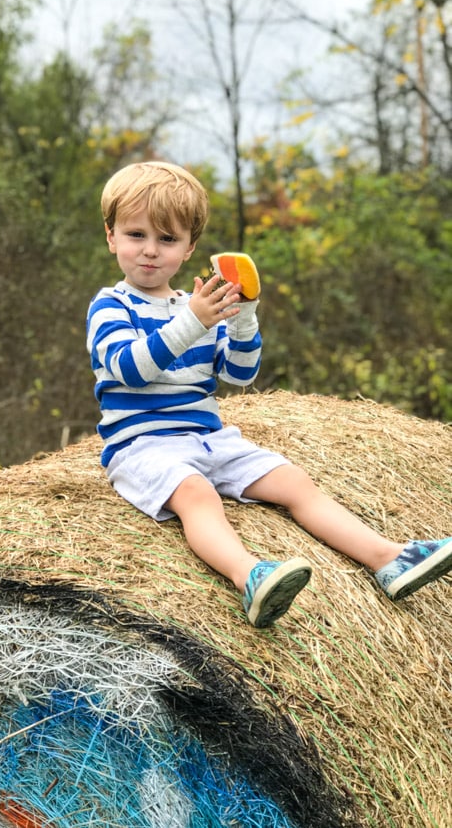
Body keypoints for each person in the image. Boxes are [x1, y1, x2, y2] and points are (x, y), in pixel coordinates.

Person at [86, 160, 452, 628]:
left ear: (189, 246)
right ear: (111, 236)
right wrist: (194, 320)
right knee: (197, 494)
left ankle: (389, 558)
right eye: (136, 235)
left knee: (294, 481)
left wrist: (242, 317)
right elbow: (131, 369)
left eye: (168, 239)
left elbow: (239, 374)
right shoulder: (111, 305)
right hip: (143, 447)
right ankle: (250, 577)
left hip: (209, 439)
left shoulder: (196, 306)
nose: (150, 250)